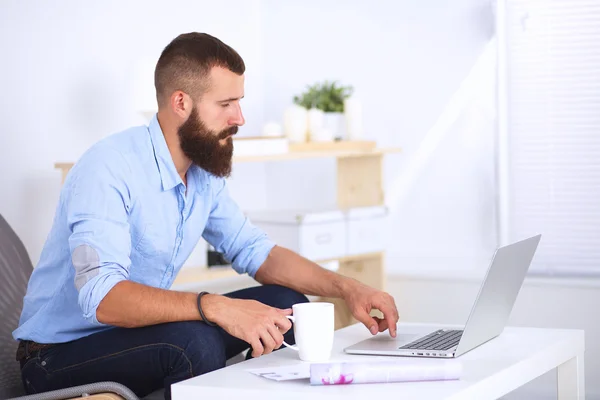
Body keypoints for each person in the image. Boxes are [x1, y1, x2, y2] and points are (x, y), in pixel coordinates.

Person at [13, 32, 399, 399]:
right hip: (57, 355)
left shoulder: (201, 173)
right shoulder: (108, 168)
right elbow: (104, 300)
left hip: (131, 336)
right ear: (181, 103)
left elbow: (255, 252)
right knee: (193, 345)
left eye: (240, 102)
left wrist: (349, 287)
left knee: (287, 305)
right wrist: (215, 306)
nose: (240, 118)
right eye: (226, 104)